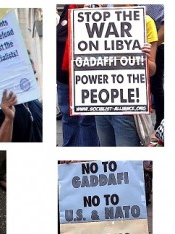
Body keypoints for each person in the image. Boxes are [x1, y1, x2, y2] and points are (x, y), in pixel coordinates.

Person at [94, 5, 158, 146]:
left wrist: (144, 59)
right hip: (100, 102)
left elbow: (152, 70)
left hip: (127, 107)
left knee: (127, 162)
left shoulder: (145, 21)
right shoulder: (94, 19)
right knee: (108, 159)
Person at [57, 5, 99, 147]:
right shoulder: (67, 10)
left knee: (86, 119)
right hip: (64, 78)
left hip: (87, 77)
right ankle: (69, 159)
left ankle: (88, 157)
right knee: (68, 117)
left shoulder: (96, 9)